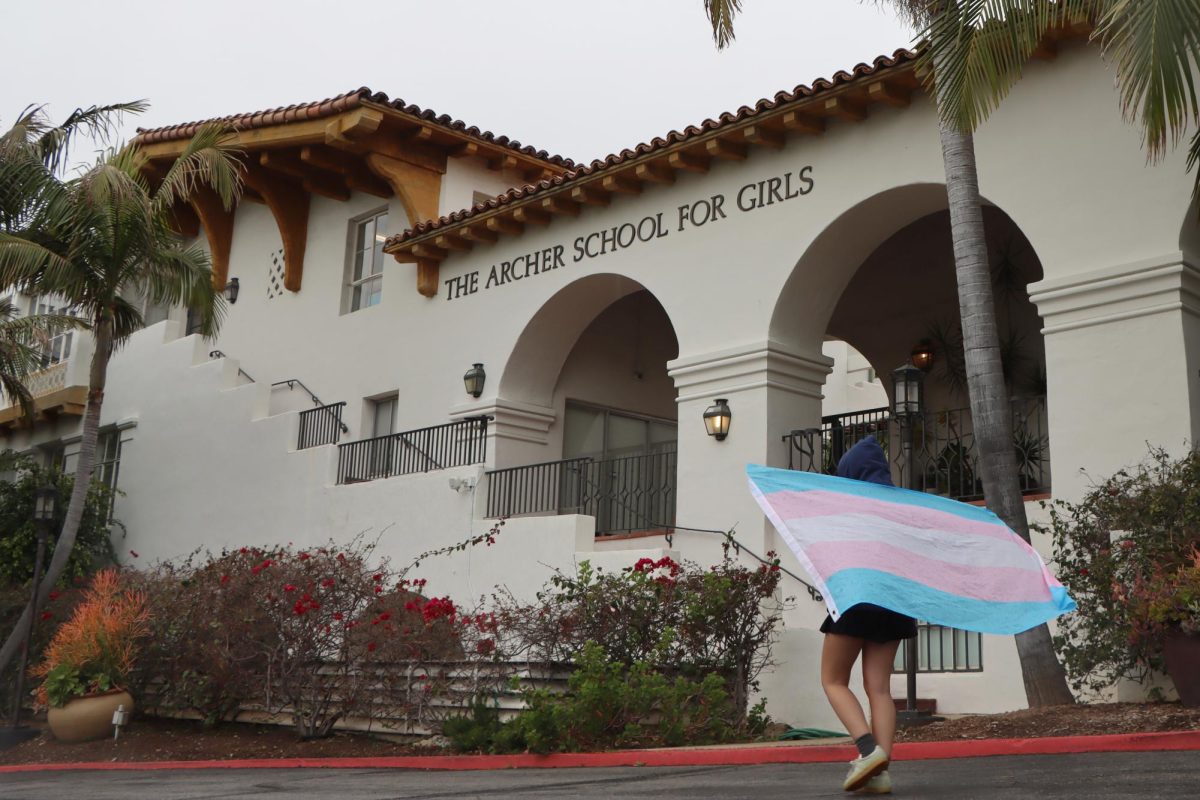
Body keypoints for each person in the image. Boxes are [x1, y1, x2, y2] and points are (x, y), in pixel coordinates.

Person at [819, 435, 917, 794]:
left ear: (851, 473)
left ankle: (867, 750)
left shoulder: (848, 508)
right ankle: (881, 771)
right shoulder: (903, 508)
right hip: (895, 603)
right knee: (879, 687)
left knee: (833, 680)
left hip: (856, 600)